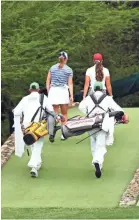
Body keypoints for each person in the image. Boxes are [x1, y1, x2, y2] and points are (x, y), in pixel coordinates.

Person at [79, 81, 129, 178]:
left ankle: (97, 164)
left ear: (93, 89)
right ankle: (97, 162)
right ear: (103, 89)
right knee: (100, 146)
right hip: (103, 124)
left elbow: (81, 107)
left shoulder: (89, 98)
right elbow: (118, 109)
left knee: (93, 144)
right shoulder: (107, 98)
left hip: (91, 123)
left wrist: (88, 113)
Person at [13, 82, 61, 178]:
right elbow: (50, 110)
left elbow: (16, 111)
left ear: (30, 90)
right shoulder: (43, 98)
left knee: (32, 143)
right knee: (38, 144)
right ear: (38, 89)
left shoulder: (24, 99)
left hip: (27, 126)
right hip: (38, 126)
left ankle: (37, 163)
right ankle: (34, 166)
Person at [83, 53, 114, 145]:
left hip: (92, 94)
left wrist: (84, 96)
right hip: (103, 93)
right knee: (106, 113)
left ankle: (93, 133)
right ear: (102, 60)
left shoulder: (89, 70)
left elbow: (86, 85)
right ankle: (107, 133)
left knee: (91, 113)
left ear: (93, 61)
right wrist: (111, 96)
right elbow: (108, 85)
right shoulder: (106, 70)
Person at [46, 51, 73, 140]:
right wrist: (71, 95)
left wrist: (49, 91)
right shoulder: (68, 69)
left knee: (54, 114)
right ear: (66, 59)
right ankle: (64, 134)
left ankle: (51, 132)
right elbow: (70, 84)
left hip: (53, 91)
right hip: (63, 92)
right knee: (64, 113)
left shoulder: (52, 68)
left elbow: (48, 81)